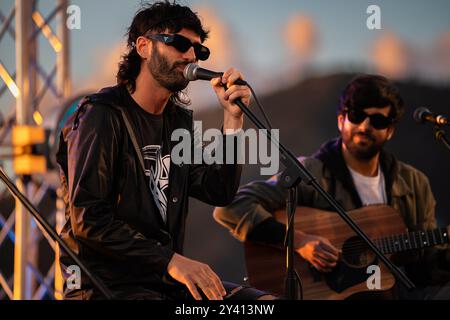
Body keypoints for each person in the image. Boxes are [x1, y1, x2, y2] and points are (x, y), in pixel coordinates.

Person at [56, 1, 269, 300]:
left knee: (263, 304)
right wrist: (170, 260)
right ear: (143, 47)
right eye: (180, 43)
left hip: (163, 284)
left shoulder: (177, 121)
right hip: (105, 288)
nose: (191, 55)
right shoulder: (101, 115)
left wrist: (233, 120)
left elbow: (219, 190)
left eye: (199, 49)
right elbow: (88, 219)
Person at [213, 74, 450, 299]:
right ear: (341, 120)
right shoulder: (312, 173)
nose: (365, 126)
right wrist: (300, 241)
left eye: (377, 120)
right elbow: (230, 207)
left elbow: (426, 269)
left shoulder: (414, 184)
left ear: (390, 131)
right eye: (357, 115)